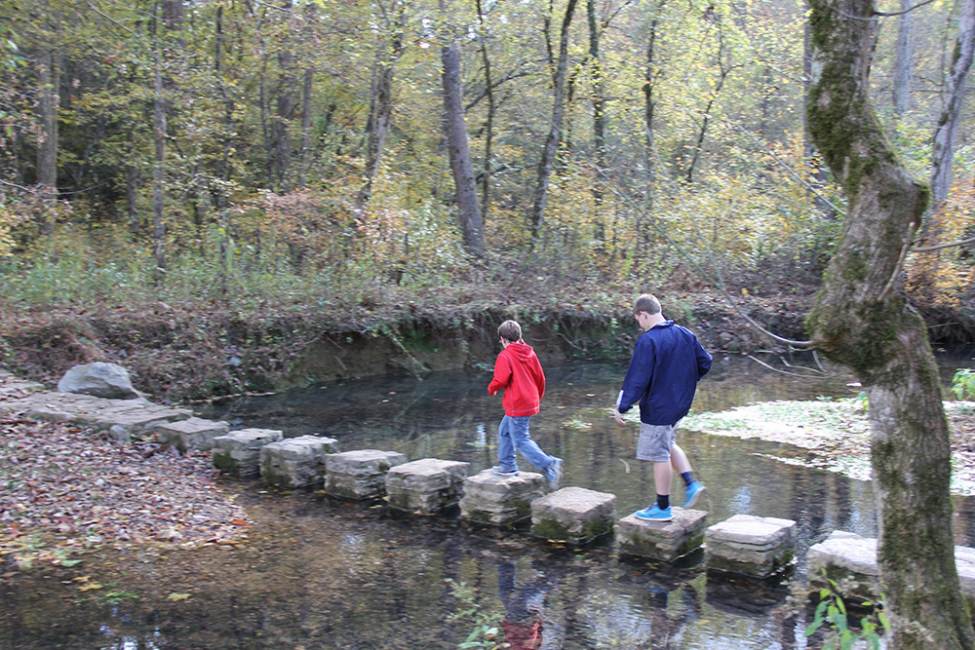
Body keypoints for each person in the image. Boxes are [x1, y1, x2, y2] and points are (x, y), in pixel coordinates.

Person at [612, 294, 712, 521]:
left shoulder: (649, 341)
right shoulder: (685, 334)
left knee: (659, 455)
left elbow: (638, 378)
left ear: (644, 314)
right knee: (668, 443)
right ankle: (691, 484)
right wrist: (685, 381)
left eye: (639, 320)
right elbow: (705, 362)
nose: (640, 325)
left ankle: (662, 507)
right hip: (679, 405)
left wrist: (622, 407)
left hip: (658, 407)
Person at [488, 320, 563, 489]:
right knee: (504, 431)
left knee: (521, 440)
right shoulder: (530, 353)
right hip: (528, 400)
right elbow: (541, 378)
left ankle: (548, 463)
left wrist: (492, 388)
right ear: (519, 336)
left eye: (501, 341)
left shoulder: (505, 355)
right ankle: (507, 467)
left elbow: (501, 378)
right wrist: (536, 398)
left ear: (503, 340)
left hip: (517, 403)